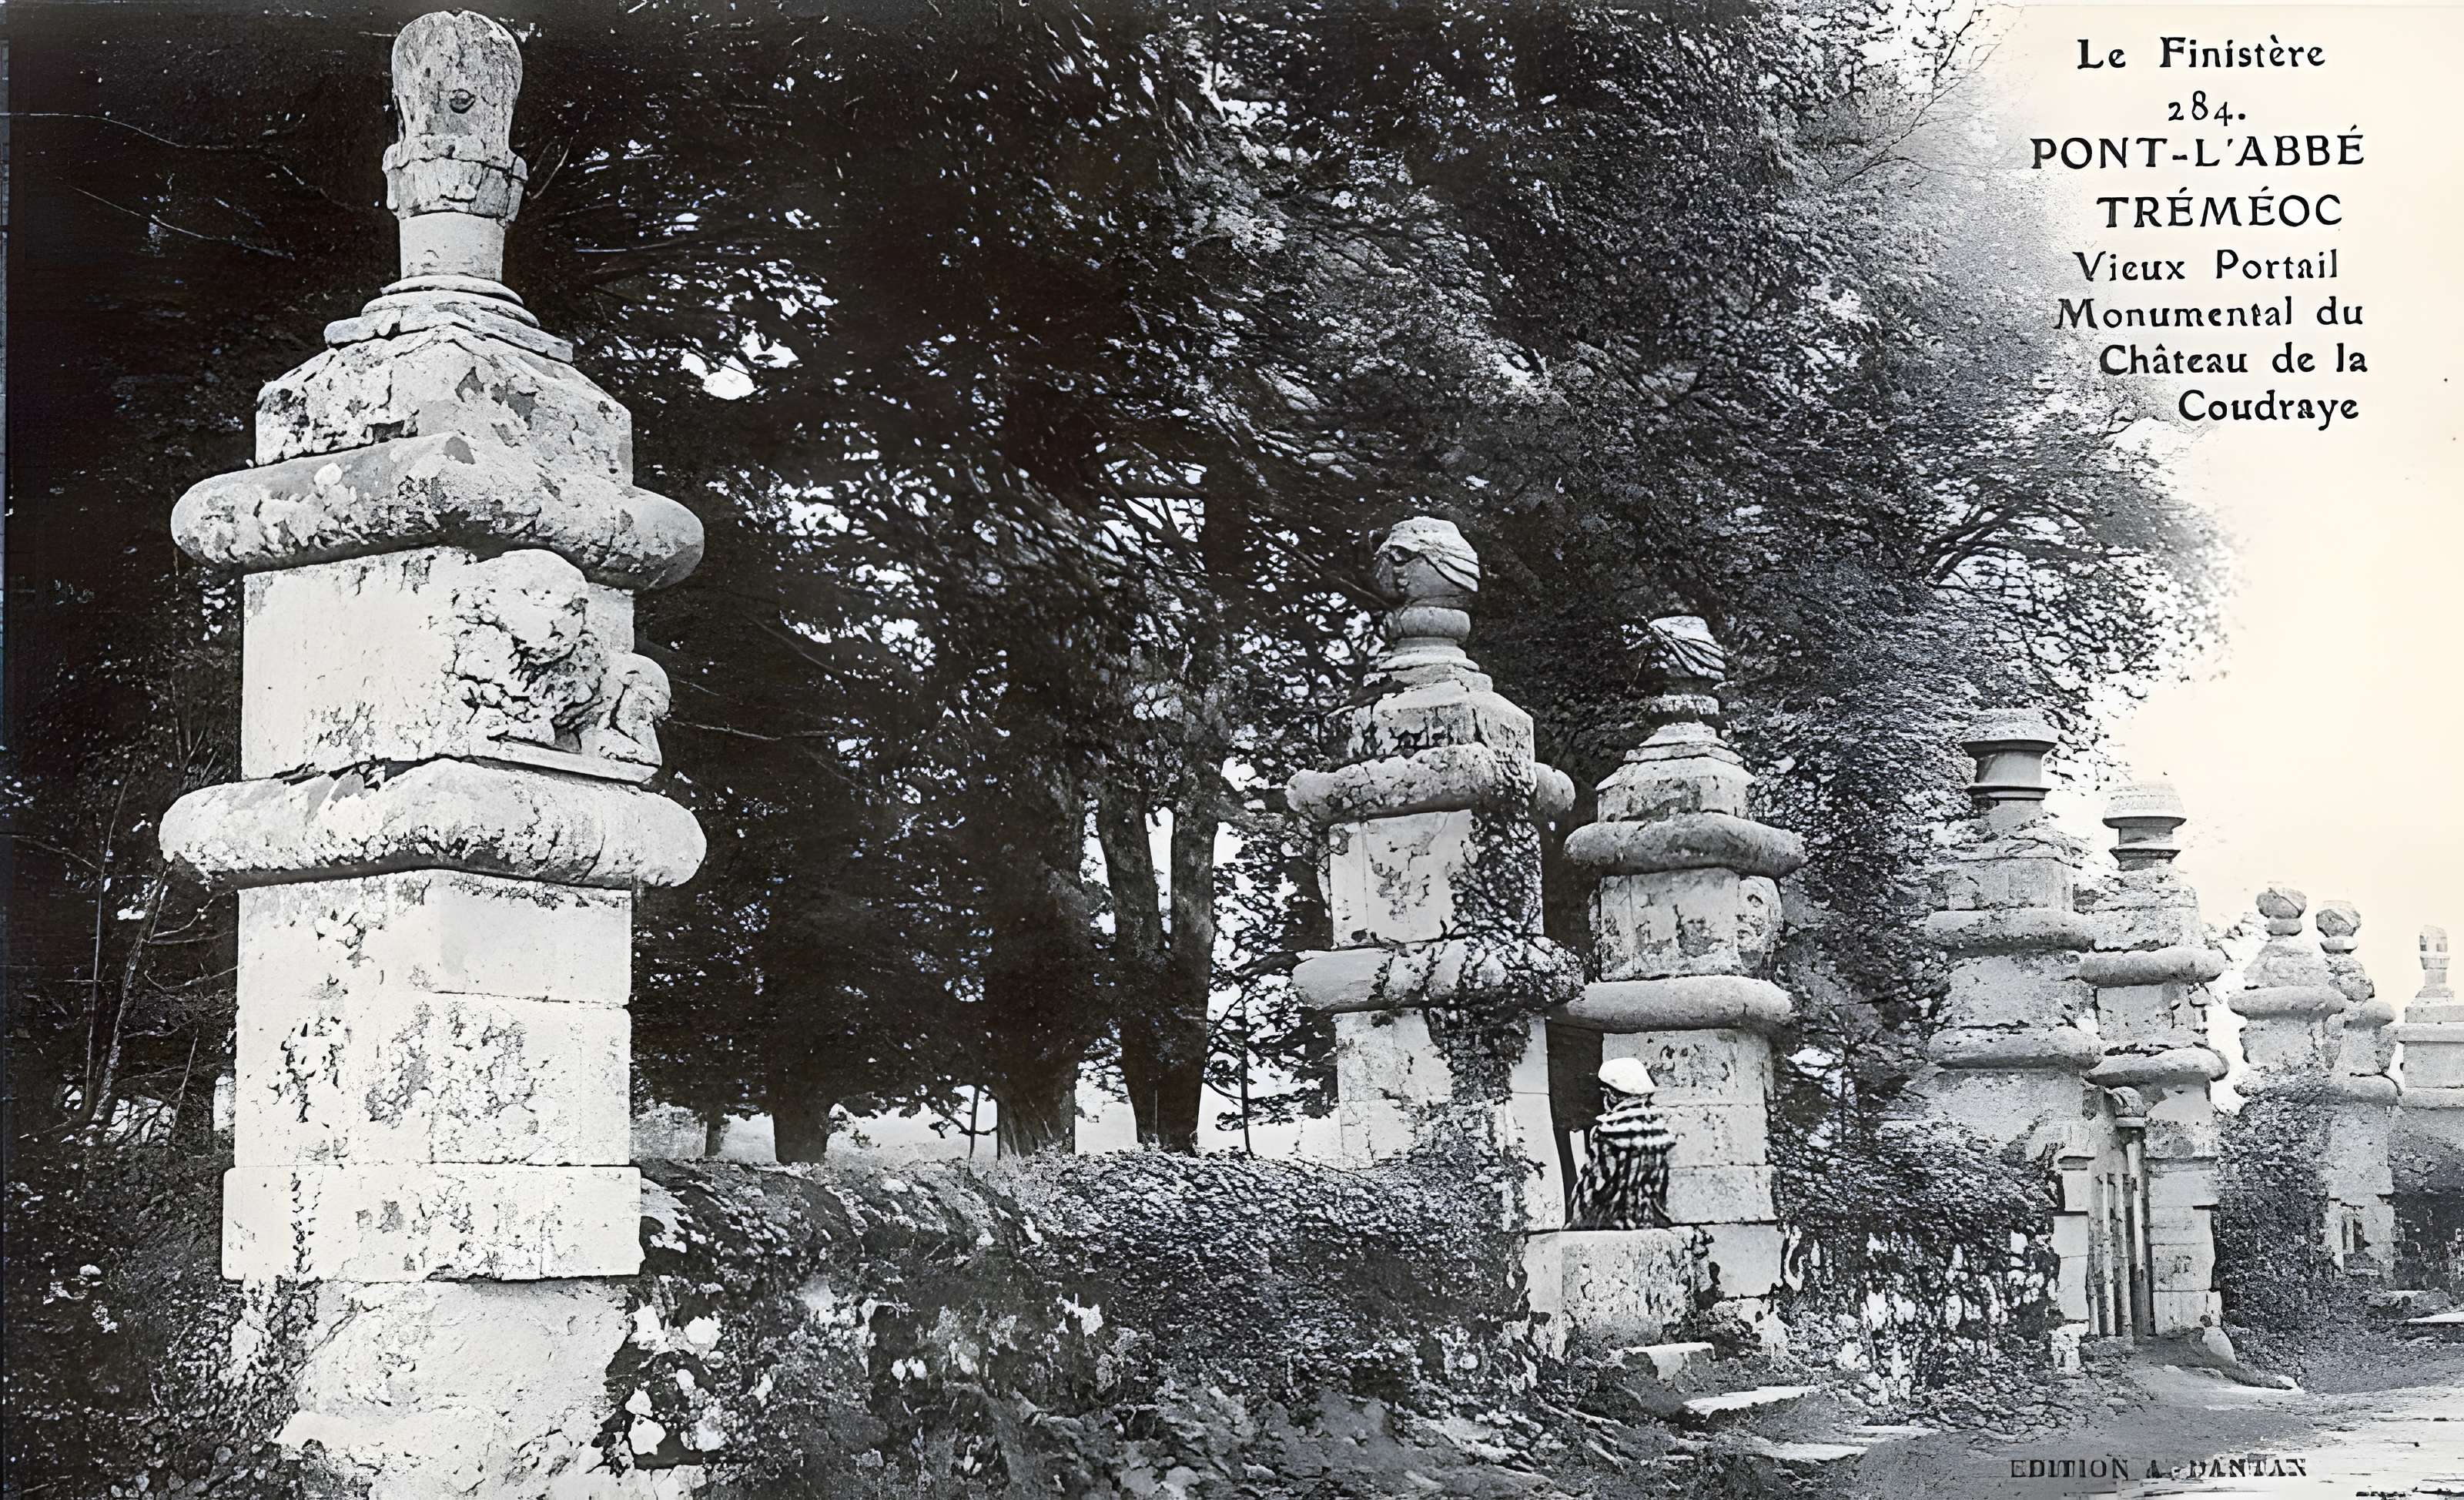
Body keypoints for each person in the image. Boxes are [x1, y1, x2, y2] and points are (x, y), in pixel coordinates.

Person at [1567, 1057, 1675, 1229]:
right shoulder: (1661, 1131)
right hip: (1650, 1223)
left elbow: (1592, 1187)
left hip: (1610, 1224)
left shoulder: (1609, 1133)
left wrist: (1575, 1223)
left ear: (1611, 1095)